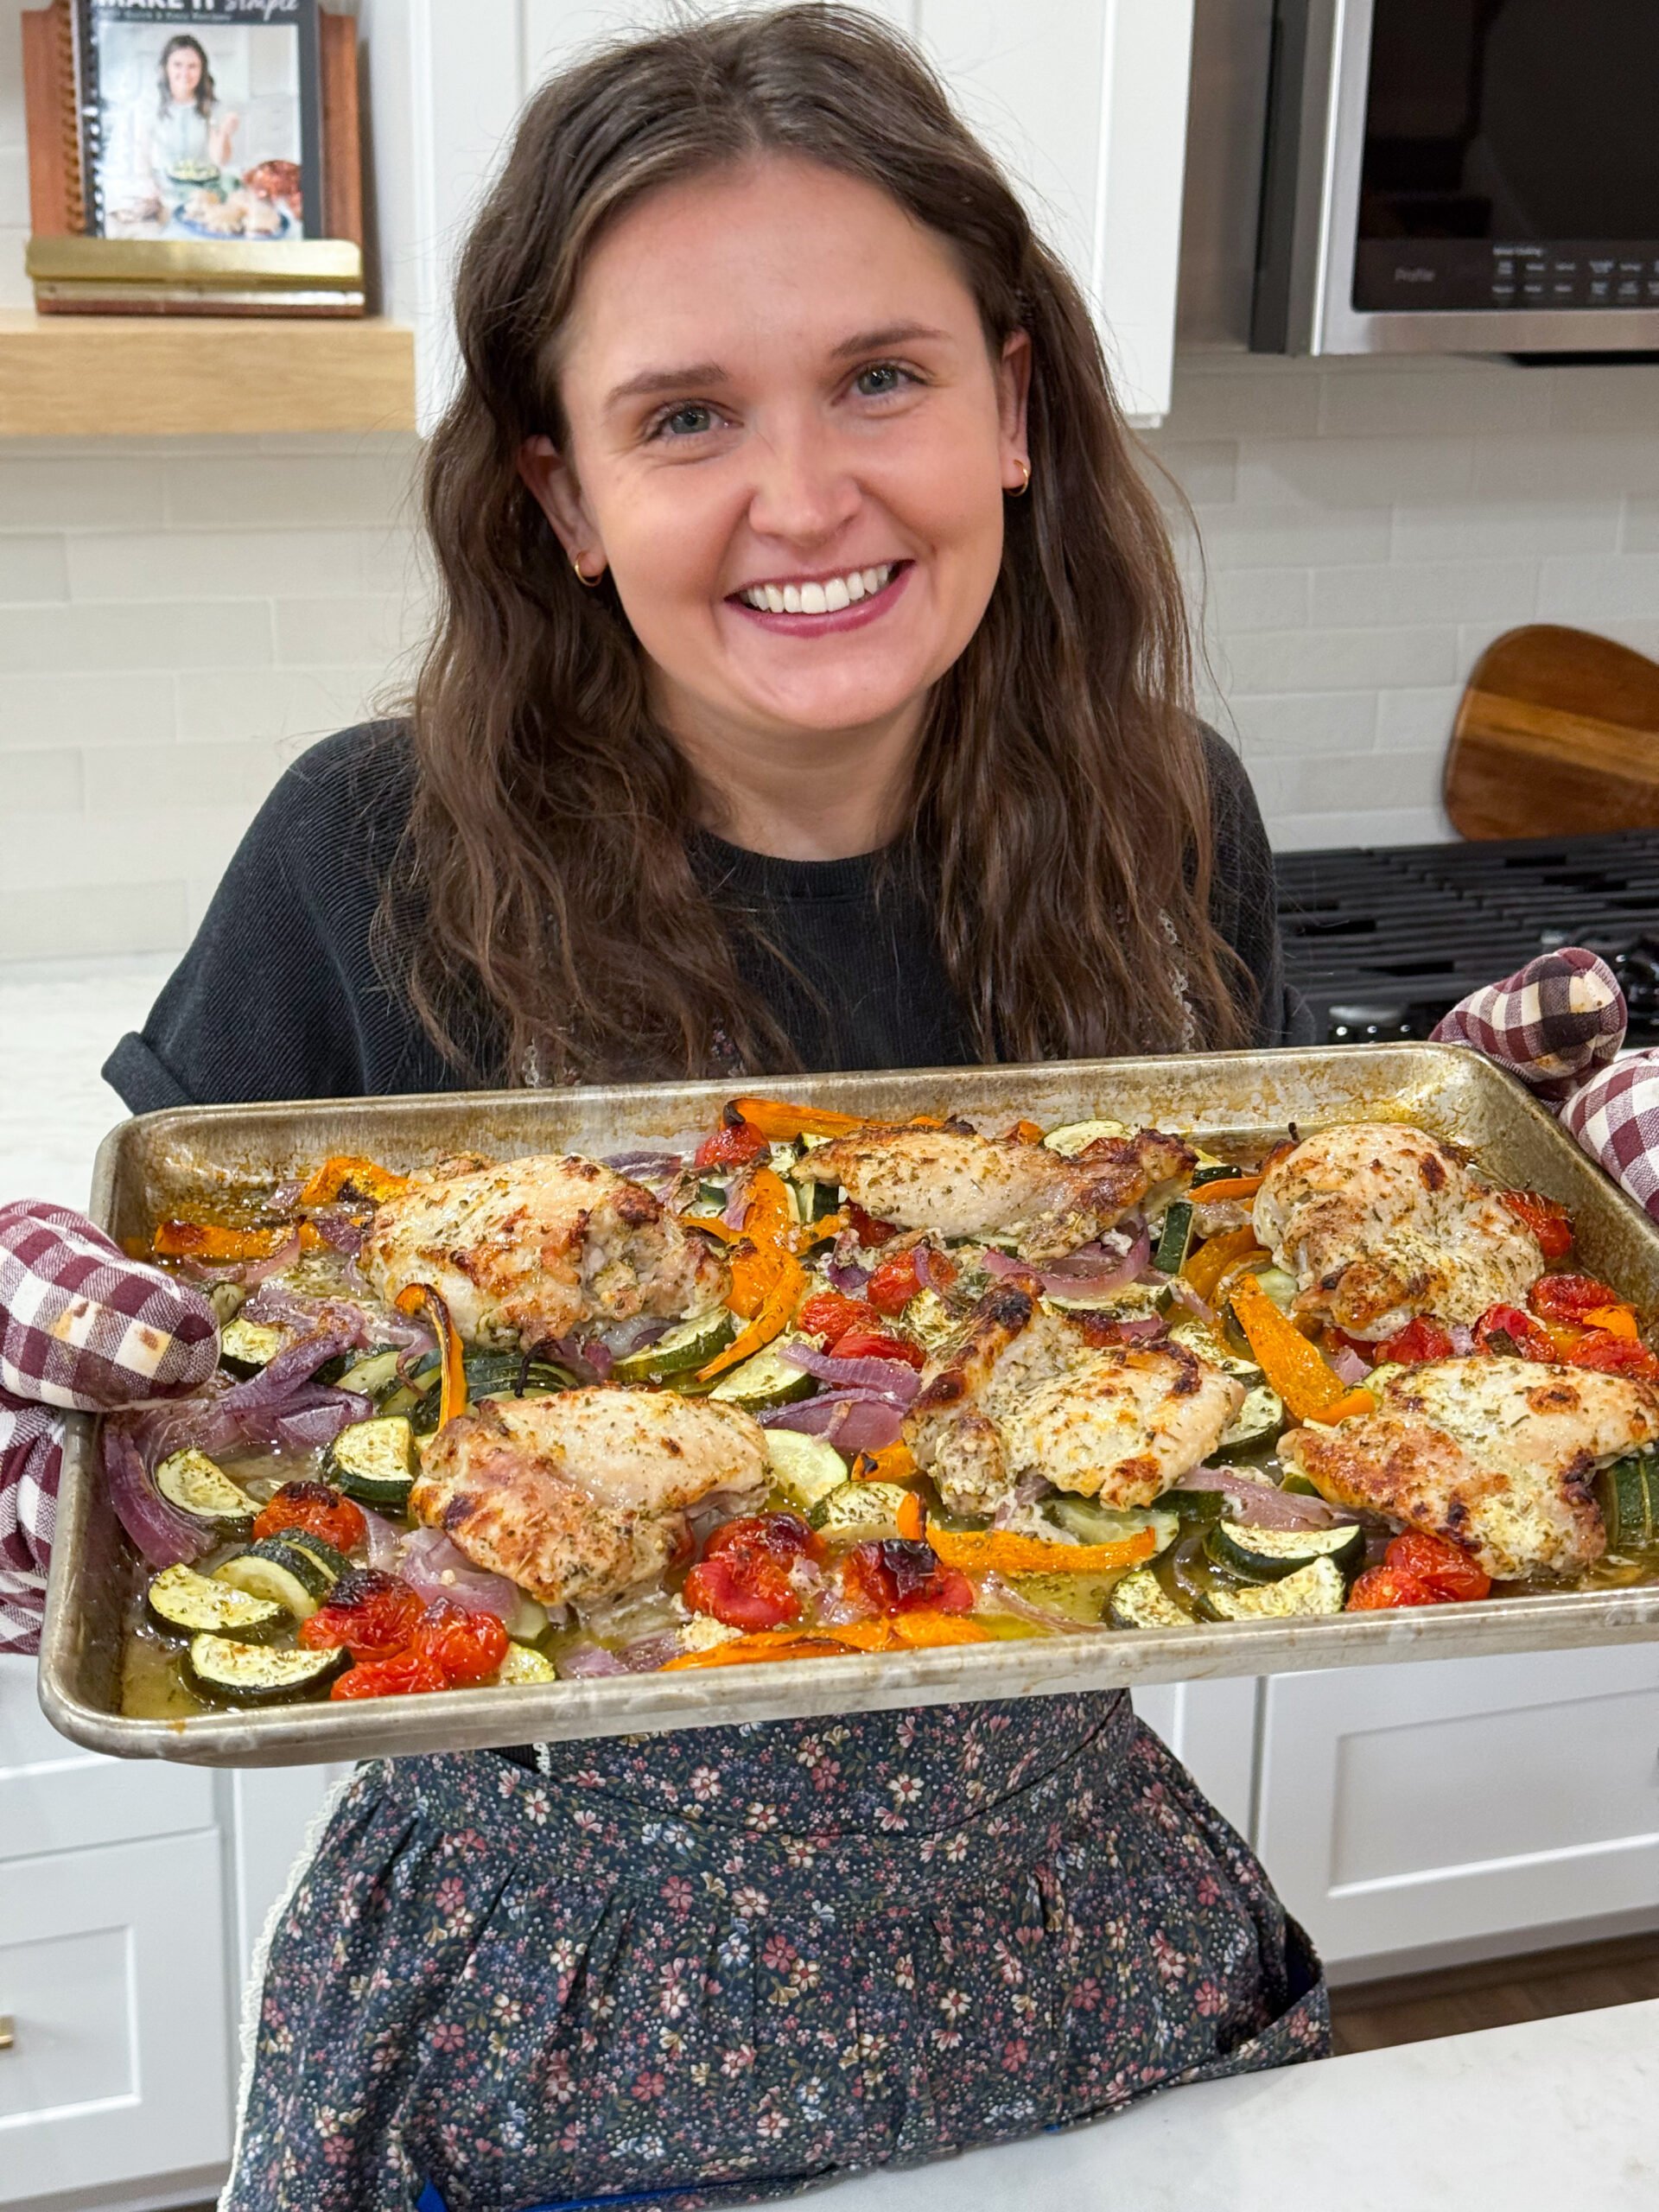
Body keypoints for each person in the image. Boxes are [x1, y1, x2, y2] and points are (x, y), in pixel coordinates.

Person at [105, 10, 1327, 2205]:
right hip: (549, 2000)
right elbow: (170, 1365)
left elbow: (1236, 1346)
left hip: (1075, 1947)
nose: (805, 495)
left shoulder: (1172, 813)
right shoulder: (362, 847)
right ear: (561, 494)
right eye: (685, 416)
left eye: (883, 374)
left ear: (1017, 405)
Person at [143, 34, 239, 206]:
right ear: (166, 67)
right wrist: (148, 183)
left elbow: (219, 160)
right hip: (166, 192)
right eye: (177, 65)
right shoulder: (152, 105)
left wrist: (224, 133)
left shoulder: (213, 108)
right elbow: (142, 153)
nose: (185, 73)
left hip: (207, 192)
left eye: (192, 66)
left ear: (202, 70)